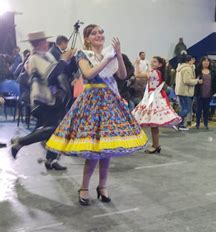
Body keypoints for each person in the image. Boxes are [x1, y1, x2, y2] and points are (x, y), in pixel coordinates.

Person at [46, 24, 148, 205]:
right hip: (92, 102)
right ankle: (84, 187)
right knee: (93, 150)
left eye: (101, 32)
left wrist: (118, 54)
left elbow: (122, 75)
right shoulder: (83, 55)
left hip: (110, 101)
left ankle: (102, 186)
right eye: (94, 33)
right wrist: (106, 59)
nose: (99, 35)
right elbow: (88, 74)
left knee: (106, 149)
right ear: (87, 38)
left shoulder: (108, 54)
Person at [10, 31, 74, 170]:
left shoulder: (48, 55)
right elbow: (51, 74)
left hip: (54, 98)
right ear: (38, 43)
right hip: (42, 99)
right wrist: (63, 60)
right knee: (51, 129)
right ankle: (20, 142)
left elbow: (60, 72)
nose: (47, 43)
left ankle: (51, 160)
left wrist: (68, 62)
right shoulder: (34, 59)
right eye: (44, 41)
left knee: (56, 130)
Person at [133, 56, 180, 153]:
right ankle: (155, 145)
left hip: (153, 98)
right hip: (154, 97)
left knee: (149, 123)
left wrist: (137, 64)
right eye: (152, 61)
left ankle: (151, 145)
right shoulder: (158, 72)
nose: (152, 63)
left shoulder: (154, 72)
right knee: (153, 125)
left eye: (155, 62)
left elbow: (137, 74)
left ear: (160, 64)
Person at [175, 54, 201, 131]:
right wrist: (197, 81)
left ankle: (181, 125)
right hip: (185, 91)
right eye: (192, 60)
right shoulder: (187, 69)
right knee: (186, 109)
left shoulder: (180, 68)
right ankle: (178, 122)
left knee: (183, 108)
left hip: (180, 91)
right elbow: (187, 81)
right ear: (189, 61)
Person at [195, 56, 216, 130]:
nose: (206, 62)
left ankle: (206, 124)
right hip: (199, 93)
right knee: (199, 109)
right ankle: (198, 124)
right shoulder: (197, 70)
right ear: (201, 62)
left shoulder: (213, 71)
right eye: (204, 61)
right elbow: (193, 80)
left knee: (206, 109)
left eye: (207, 61)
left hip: (209, 93)